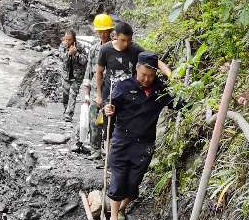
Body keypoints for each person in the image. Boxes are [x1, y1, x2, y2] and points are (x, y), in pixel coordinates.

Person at [102, 52, 179, 220]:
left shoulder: (160, 90)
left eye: (151, 76)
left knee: (134, 180)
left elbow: (177, 103)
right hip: (122, 140)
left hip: (144, 143)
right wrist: (108, 108)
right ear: (137, 69)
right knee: (118, 178)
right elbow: (109, 105)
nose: (147, 79)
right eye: (144, 74)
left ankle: (121, 209)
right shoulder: (123, 86)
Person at [95, 20, 171, 106]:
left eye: (129, 40)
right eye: (123, 40)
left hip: (129, 94)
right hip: (109, 93)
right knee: (108, 116)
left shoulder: (135, 48)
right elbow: (99, 72)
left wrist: (170, 75)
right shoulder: (105, 49)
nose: (126, 44)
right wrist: (99, 95)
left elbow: (155, 61)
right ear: (115, 36)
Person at [78, 13, 114, 159]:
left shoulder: (115, 48)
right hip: (95, 90)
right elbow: (89, 71)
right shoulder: (94, 49)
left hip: (111, 90)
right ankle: (95, 150)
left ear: (110, 31)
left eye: (106, 31)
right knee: (94, 121)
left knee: (109, 122)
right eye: (100, 31)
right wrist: (86, 94)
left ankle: (110, 153)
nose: (103, 34)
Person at [59, 28, 88, 121]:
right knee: (65, 94)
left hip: (77, 76)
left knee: (73, 94)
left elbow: (84, 61)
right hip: (65, 74)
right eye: (66, 39)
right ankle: (66, 110)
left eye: (69, 39)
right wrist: (69, 54)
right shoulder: (62, 46)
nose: (67, 41)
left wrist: (76, 54)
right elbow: (62, 58)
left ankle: (69, 115)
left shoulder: (81, 46)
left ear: (74, 39)